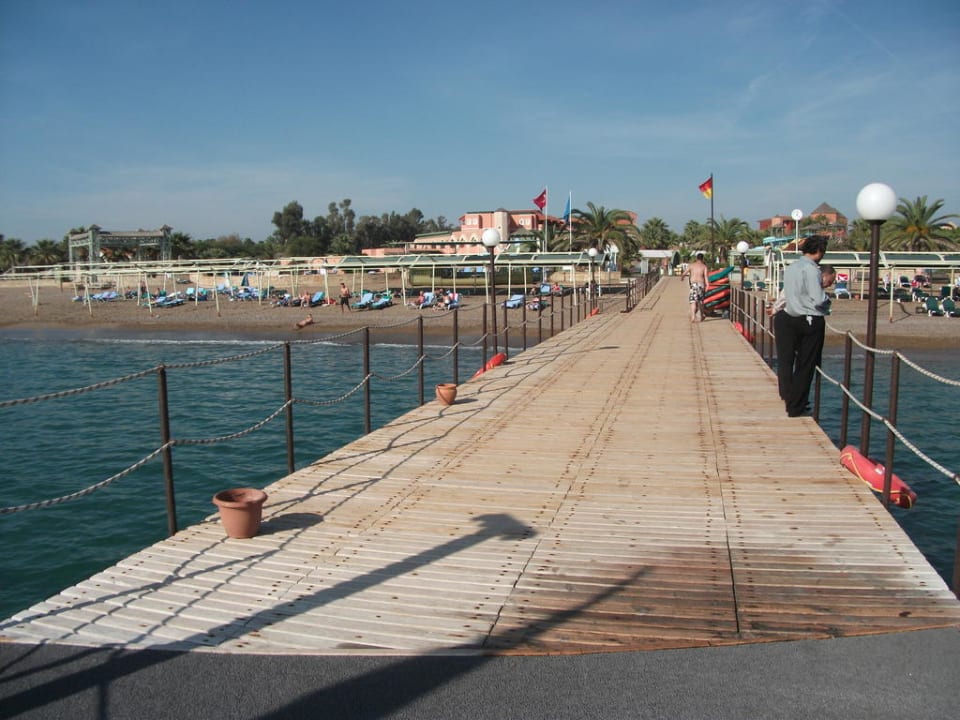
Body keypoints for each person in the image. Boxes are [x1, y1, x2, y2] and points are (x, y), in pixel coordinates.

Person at [773, 235, 832, 417]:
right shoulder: (812, 270)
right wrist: (827, 301)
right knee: (806, 364)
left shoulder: (791, 268)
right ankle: (796, 406)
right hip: (810, 319)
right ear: (819, 251)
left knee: (787, 360)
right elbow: (818, 298)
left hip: (790, 316)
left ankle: (789, 396)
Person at [681, 252, 710, 322]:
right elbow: (706, 277)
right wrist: (707, 285)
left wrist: (682, 277)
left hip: (693, 285)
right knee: (701, 301)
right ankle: (701, 316)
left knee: (693, 301)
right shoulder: (704, 267)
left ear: (696, 258)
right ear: (702, 259)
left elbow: (684, 273)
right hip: (701, 285)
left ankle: (693, 317)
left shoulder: (691, 265)